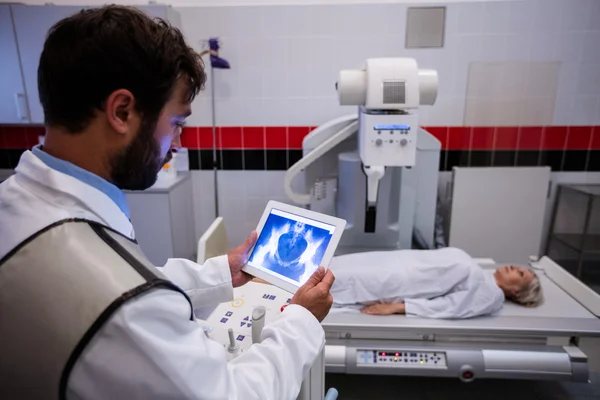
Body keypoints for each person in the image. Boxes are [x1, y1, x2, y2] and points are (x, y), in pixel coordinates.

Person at [0, 6, 335, 400]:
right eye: (176, 123)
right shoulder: (125, 305)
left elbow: (118, 283)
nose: (177, 144)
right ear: (122, 111)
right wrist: (300, 319)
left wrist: (220, 273)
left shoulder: (18, 201)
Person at [328, 247, 543, 319]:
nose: (515, 267)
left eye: (521, 274)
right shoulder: (483, 273)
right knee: (337, 265)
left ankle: (297, 293)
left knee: (337, 278)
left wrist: (395, 308)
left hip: (394, 280)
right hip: (391, 262)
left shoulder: (490, 295)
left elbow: (450, 306)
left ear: (515, 290)